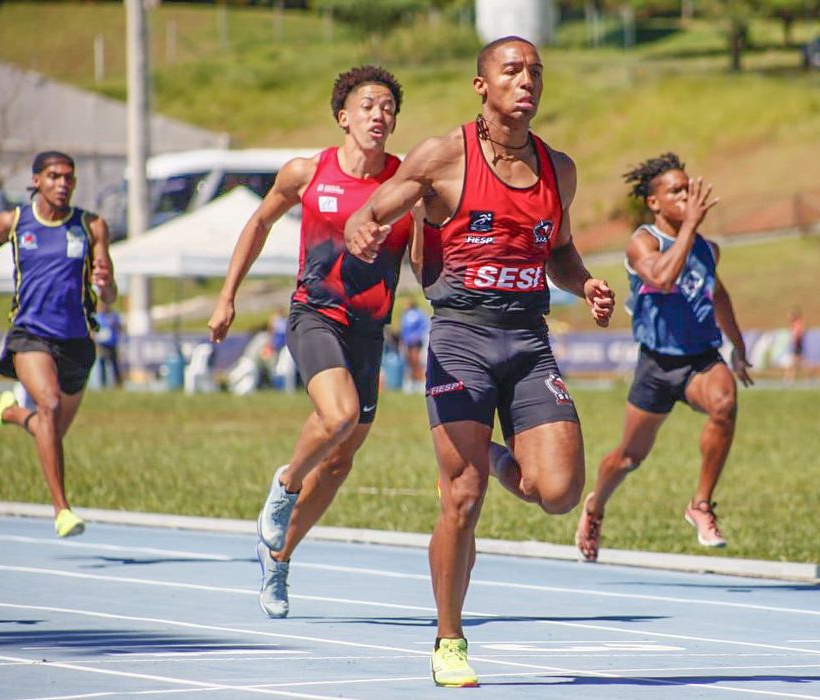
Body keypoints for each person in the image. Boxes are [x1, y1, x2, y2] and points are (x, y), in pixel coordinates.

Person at [343, 36, 616, 688]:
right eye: (512, 70)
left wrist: (586, 284)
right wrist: (364, 226)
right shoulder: (446, 155)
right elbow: (375, 207)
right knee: (461, 501)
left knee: (558, 492)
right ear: (481, 85)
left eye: (535, 72)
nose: (526, 81)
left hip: (526, 341)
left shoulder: (560, 170)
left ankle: (495, 455)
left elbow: (562, 252)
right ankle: (449, 639)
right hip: (461, 335)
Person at [207, 65, 421, 620]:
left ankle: (277, 555)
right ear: (343, 117)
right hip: (315, 314)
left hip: (371, 330)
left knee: (341, 461)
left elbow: (424, 260)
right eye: (369, 106)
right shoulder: (307, 172)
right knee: (338, 415)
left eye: (388, 108)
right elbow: (258, 223)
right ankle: (284, 483)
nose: (380, 115)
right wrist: (228, 296)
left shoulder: (405, 185)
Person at [574, 152, 753, 563]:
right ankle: (596, 506)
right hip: (656, 364)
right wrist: (689, 227)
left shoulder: (708, 250)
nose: (687, 197)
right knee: (628, 458)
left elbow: (718, 293)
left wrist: (739, 347)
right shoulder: (643, 242)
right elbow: (661, 276)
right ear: (654, 202)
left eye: (689, 189)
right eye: (677, 191)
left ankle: (701, 505)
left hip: (700, 360)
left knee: (724, 404)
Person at [0, 150, 117, 537]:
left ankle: (10, 412)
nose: (63, 183)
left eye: (69, 177)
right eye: (54, 176)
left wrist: (105, 285)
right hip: (30, 335)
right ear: (36, 180)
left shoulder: (91, 226)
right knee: (48, 406)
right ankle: (62, 510)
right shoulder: (15, 221)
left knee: (49, 431)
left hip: (78, 342)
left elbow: (110, 292)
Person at [398, 298, 428, 393]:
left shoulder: (418, 314)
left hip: (416, 342)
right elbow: (403, 329)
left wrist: (417, 336)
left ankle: (420, 382)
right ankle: (410, 382)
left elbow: (424, 326)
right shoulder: (405, 315)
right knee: (409, 362)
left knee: (416, 361)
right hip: (407, 342)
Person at [94, 300, 123, 388]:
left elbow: (119, 328)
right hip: (102, 344)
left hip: (112, 343)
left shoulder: (113, 316)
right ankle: (103, 384)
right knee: (102, 363)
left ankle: (118, 383)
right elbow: (93, 330)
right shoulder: (97, 317)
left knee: (114, 364)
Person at [785, 307, 805, 383]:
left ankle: (789, 379)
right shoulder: (794, 324)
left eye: (790, 315)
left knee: (794, 363)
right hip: (796, 346)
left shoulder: (798, 323)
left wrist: (794, 341)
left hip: (797, 346)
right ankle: (790, 379)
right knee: (798, 364)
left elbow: (798, 335)